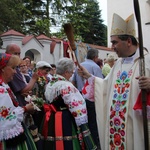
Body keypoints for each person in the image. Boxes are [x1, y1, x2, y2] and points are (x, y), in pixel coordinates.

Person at [78, 13, 150, 150]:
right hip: (115, 130)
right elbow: (105, 87)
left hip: (137, 129)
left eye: (115, 42)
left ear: (128, 41)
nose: (112, 47)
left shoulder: (146, 62)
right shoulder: (117, 64)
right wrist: (89, 77)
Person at [39, 57, 97, 150]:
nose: (71, 75)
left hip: (52, 117)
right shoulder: (66, 85)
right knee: (66, 143)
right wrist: (82, 121)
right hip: (64, 119)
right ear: (66, 72)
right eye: (71, 72)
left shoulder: (50, 83)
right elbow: (76, 105)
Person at [0, 53, 37, 150]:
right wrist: (25, 109)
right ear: (3, 68)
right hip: (7, 139)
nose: (15, 72)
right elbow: (5, 118)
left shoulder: (5, 86)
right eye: (13, 68)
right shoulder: (1, 90)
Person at [72, 48, 103, 149]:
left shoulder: (79, 66)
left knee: (84, 122)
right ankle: (93, 143)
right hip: (92, 99)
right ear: (95, 57)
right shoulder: (95, 67)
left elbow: (73, 82)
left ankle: (84, 142)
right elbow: (100, 83)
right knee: (93, 123)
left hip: (80, 97)